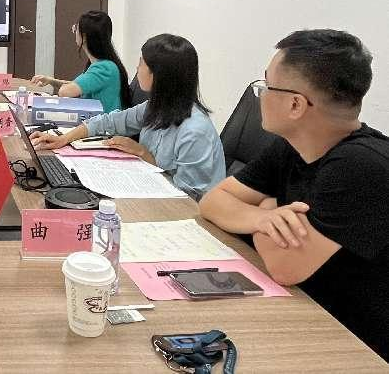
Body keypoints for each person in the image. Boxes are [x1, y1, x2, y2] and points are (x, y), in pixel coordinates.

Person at [200, 29, 389, 362]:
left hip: (351, 345)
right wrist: (265, 215)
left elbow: (285, 266)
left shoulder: (362, 165)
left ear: (295, 104)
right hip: (298, 308)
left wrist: (265, 206)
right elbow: (213, 201)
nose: (260, 95)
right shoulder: (293, 146)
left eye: (266, 86)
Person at [31, 33, 225, 197]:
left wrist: (143, 153)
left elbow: (187, 197)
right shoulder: (156, 107)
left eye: (141, 63)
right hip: (150, 190)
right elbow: (109, 121)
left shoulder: (194, 131)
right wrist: (63, 139)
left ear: (158, 75)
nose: (137, 68)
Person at [31, 10, 131, 112]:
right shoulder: (103, 65)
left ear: (84, 36)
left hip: (103, 122)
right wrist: (51, 81)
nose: (74, 31)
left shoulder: (104, 68)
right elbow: (77, 85)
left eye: (76, 28)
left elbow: (65, 92)